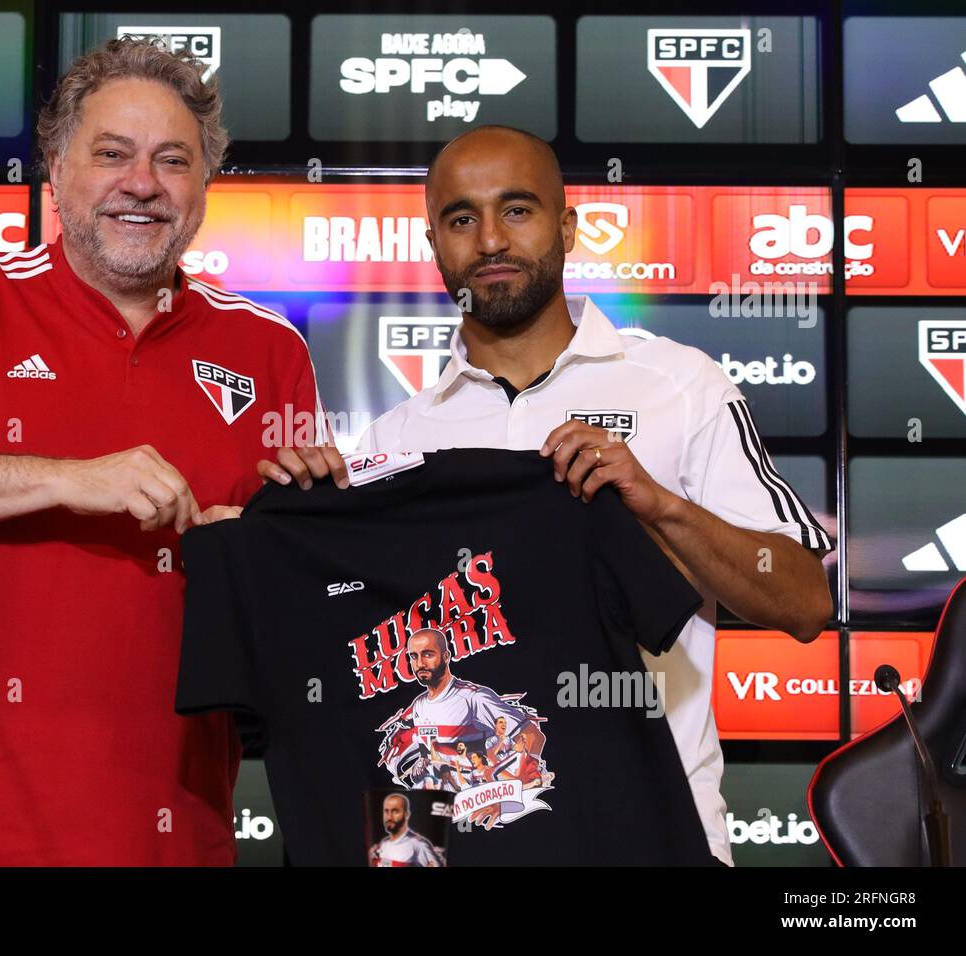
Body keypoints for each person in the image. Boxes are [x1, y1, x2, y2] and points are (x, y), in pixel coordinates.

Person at [0, 37, 324, 865]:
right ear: (54, 170)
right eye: (111, 154)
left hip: (169, 837)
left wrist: (263, 548)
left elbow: (297, 624)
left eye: (173, 161)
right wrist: (70, 480)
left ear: (205, 187)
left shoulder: (270, 352)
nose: (142, 184)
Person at [258, 125, 833, 865]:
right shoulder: (393, 445)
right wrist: (298, 514)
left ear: (566, 225)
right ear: (433, 243)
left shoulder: (680, 386)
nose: (490, 239)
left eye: (518, 210)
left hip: (662, 835)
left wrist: (660, 506)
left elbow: (805, 602)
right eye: (462, 218)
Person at [368, 793, 443, 867]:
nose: (389, 817)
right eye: (386, 811)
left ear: (406, 814)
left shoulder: (418, 845)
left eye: (395, 811)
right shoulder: (384, 843)